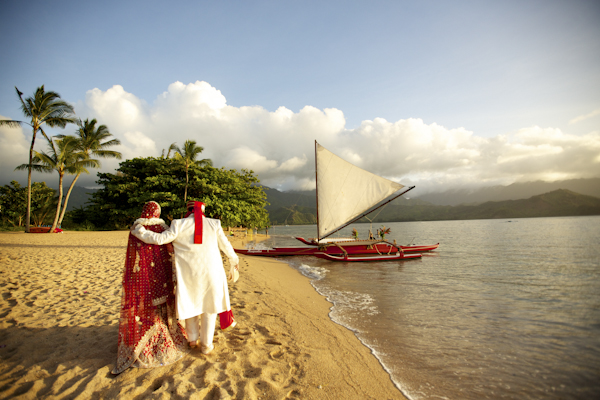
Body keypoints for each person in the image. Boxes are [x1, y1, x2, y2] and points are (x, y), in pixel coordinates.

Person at [131, 201, 239, 355]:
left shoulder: (178, 224)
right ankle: (207, 345)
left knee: (191, 304)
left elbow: (160, 239)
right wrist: (234, 261)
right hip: (212, 273)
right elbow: (226, 246)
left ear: (187, 210)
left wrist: (140, 231)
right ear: (203, 210)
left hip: (189, 274)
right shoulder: (214, 224)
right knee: (209, 308)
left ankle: (193, 340)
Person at [112, 201, 188, 375]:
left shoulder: (137, 229)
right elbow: (171, 250)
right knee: (160, 308)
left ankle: (145, 339)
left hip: (144, 277)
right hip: (162, 276)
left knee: (146, 308)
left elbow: (134, 256)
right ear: (157, 212)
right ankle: (164, 335)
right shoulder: (164, 229)